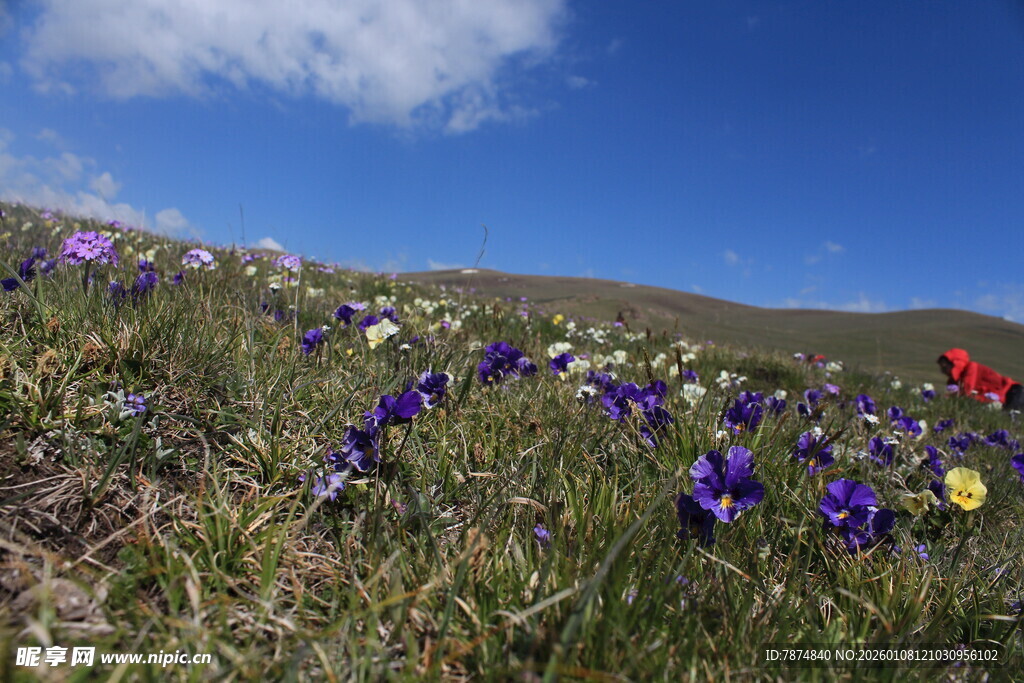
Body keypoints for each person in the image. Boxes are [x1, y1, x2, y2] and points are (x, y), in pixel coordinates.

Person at [937, 348, 1024, 411]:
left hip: (1012, 392)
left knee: (1013, 417)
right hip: (1000, 401)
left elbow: (967, 390)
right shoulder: (953, 382)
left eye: (945, 367)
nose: (943, 371)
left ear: (955, 363)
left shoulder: (971, 367)